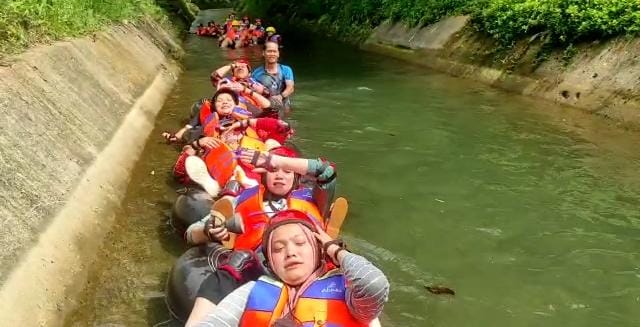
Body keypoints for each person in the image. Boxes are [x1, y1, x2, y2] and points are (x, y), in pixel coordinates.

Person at [183, 147, 341, 326]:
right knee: (238, 260)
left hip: (310, 270)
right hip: (259, 271)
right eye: (272, 170)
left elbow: (328, 171)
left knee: (342, 268)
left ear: (297, 175)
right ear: (263, 175)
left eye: (287, 171)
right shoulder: (241, 200)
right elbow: (190, 233)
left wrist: (275, 161)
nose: (280, 175)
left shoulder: (314, 200)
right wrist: (209, 231)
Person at [193, 209, 390, 326]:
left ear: (319, 249)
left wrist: (335, 250)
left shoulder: (349, 295)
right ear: (270, 262)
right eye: (278, 249)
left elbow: (373, 284)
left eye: (300, 243)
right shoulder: (253, 291)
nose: (290, 253)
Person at [251, 41, 295, 118]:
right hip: (266, 108)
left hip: (284, 106)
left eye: (274, 51)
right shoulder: (256, 74)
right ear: (263, 53)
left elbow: (290, 88)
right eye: (269, 51)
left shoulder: (286, 69)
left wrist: (280, 97)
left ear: (278, 54)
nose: (272, 54)